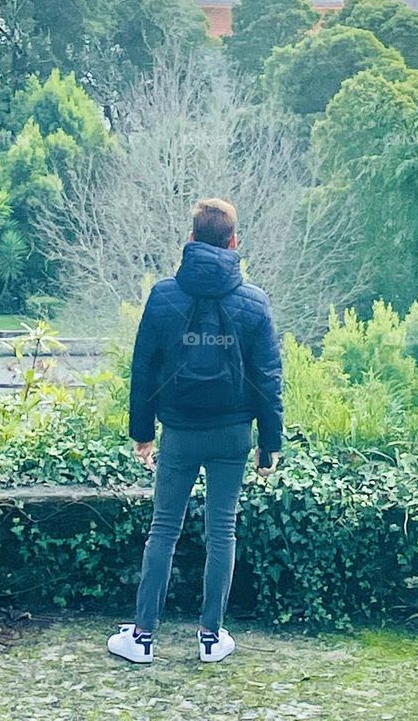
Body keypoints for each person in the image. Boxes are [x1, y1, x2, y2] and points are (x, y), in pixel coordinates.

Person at [107, 198, 283, 666]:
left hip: (180, 432)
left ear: (190, 239)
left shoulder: (165, 295)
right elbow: (268, 378)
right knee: (221, 530)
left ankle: (142, 638)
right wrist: (270, 444)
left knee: (163, 529)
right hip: (232, 436)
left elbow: (144, 368)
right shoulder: (255, 302)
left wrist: (142, 433)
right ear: (233, 242)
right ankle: (211, 638)